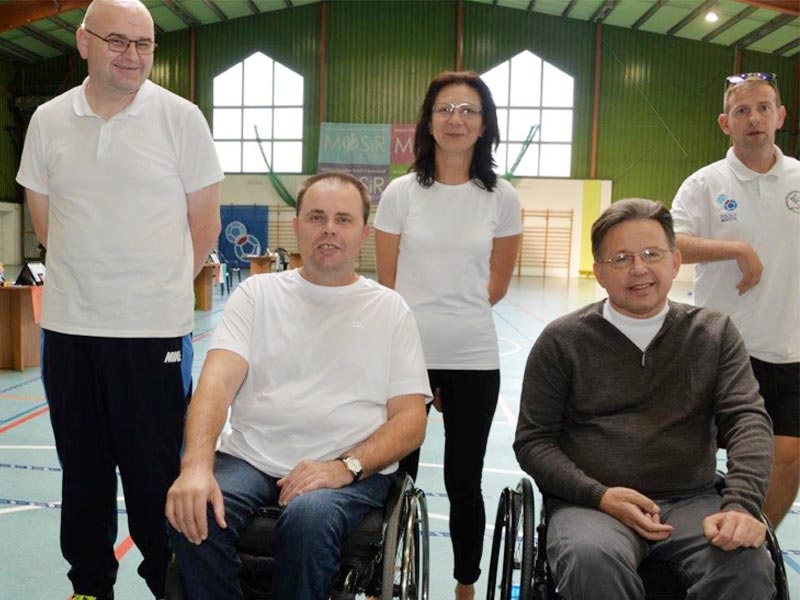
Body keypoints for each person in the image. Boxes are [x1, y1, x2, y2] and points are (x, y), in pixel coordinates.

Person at [14, 0, 223, 598]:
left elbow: (203, 227)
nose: (132, 55)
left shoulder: (182, 119)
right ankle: (88, 587)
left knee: (156, 478)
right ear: (84, 42)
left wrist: (151, 291)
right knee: (82, 475)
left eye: (144, 43)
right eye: (117, 41)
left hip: (152, 336)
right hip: (70, 332)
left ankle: (168, 585)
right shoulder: (49, 120)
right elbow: (47, 225)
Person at [165, 172, 431, 600]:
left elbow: (411, 419)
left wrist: (345, 467)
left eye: (343, 219)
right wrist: (195, 466)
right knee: (193, 511)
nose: (329, 229)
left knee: (309, 520)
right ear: (296, 226)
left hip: (347, 466)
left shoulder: (389, 309)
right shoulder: (256, 294)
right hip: (251, 457)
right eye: (317, 217)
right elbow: (215, 381)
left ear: (364, 233)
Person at [514, 198, 776, 600]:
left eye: (652, 254)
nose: (639, 269)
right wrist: (599, 495)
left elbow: (748, 421)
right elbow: (533, 441)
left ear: (675, 261)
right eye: (621, 258)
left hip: (692, 501)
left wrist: (741, 505)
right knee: (590, 560)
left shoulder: (714, 333)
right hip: (593, 507)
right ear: (600, 273)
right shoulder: (562, 341)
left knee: (747, 564)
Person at [374, 70, 522, 600]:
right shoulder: (400, 193)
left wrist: (454, 320)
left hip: (473, 357)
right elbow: (387, 285)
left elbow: (496, 287)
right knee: (397, 474)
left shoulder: (502, 197)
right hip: (405, 358)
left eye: (468, 111)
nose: (456, 119)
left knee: (464, 480)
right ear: (429, 121)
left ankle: (465, 584)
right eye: (445, 109)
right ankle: (383, 576)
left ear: (484, 125)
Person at [671, 72, 799, 529]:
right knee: (701, 454)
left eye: (763, 108)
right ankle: (698, 540)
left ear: (780, 116)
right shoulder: (704, 184)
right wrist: (736, 249)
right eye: (742, 111)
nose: (754, 118)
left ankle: (756, 539)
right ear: (726, 123)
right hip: (721, 348)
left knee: (789, 457)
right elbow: (671, 243)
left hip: (790, 348)